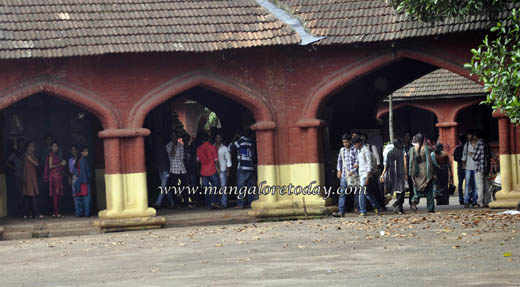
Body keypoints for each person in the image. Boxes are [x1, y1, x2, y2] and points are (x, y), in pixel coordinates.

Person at [352, 136, 381, 216]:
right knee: (367, 193)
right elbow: (363, 163)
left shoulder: (366, 151)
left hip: (365, 175)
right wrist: (357, 165)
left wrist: (368, 177)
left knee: (362, 193)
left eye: (355, 144)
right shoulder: (359, 151)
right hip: (361, 174)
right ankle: (377, 206)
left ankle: (363, 210)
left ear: (359, 143)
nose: (354, 146)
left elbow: (369, 165)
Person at [333, 134, 359, 217]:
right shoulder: (342, 150)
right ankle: (341, 211)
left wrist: (353, 170)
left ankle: (357, 208)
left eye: (346, 142)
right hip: (344, 174)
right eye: (343, 142)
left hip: (354, 175)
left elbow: (358, 162)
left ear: (350, 141)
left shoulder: (355, 149)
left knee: (356, 192)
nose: (345, 144)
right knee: (342, 193)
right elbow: (339, 161)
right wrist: (339, 170)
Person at [230, 129, 257, 209]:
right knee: (251, 187)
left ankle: (240, 204)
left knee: (240, 186)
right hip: (250, 167)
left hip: (242, 167)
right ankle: (252, 203)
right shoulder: (251, 142)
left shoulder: (240, 141)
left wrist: (234, 139)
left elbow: (231, 147)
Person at [408, 133, 435, 213]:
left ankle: (414, 200)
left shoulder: (412, 149)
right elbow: (429, 162)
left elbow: (411, 162)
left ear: (415, 139)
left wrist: (411, 174)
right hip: (424, 171)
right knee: (429, 191)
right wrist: (430, 174)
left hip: (416, 172)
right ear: (424, 140)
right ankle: (430, 208)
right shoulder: (426, 148)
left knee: (417, 188)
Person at [380, 138, 407, 214]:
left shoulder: (390, 153)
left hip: (392, 174)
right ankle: (397, 203)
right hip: (400, 174)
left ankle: (400, 209)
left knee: (398, 191)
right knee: (402, 191)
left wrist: (383, 175)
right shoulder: (401, 152)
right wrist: (405, 174)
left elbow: (387, 166)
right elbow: (404, 164)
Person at [196, 133, 222, 209]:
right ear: (209, 139)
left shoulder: (199, 149)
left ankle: (208, 204)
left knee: (206, 189)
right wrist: (218, 169)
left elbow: (197, 161)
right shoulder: (213, 147)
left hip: (203, 172)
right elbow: (216, 160)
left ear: (201, 140)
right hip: (212, 170)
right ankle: (214, 201)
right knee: (216, 186)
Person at [165, 131, 190, 207]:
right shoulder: (168, 145)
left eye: (175, 136)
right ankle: (176, 203)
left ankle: (186, 202)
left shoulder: (180, 145)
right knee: (174, 187)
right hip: (173, 169)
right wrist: (173, 145)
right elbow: (172, 155)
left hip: (182, 168)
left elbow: (182, 157)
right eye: (173, 136)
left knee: (185, 185)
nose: (174, 138)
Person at [43, 142, 66, 218]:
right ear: (51, 147)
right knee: (55, 194)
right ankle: (56, 213)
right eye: (54, 146)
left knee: (58, 195)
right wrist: (60, 164)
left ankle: (55, 212)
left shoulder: (56, 155)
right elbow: (50, 166)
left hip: (58, 176)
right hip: (54, 176)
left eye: (56, 146)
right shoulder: (51, 155)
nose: (55, 148)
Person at [152, 134, 175, 210]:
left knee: (163, 187)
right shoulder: (157, 149)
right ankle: (172, 203)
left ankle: (157, 203)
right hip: (162, 170)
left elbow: (170, 158)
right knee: (165, 187)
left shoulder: (165, 148)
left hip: (165, 170)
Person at [22, 142, 43, 219]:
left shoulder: (31, 154)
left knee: (28, 196)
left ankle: (26, 213)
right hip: (29, 177)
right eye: (31, 146)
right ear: (27, 147)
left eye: (33, 145)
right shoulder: (28, 154)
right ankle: (36, 213)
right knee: (32, 195)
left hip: (31, 177)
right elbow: (36, 164)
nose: (33, 147)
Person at [472, 130, 492, 208]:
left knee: (480, 185)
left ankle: (480, 202)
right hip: (486, 167)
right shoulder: (486, 144)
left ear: (476, 136)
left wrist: (472, 153)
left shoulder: (478, 145)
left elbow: (475, 157)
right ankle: (488, 201)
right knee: (487, 185)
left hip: (479, 167)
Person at [7, 138, 25, 216]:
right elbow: (7, 162)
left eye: (23, 144)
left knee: (26, 194)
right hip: (18, 175)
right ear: (17, 145)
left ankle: (24, 210)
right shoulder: (14, 154)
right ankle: (19, 211)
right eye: (20, 144)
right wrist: (14, 168)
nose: (21, 146)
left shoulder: (25, 153)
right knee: (19, 194)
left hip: (25, 174)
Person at [73, 147, 92, 217]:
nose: (87, 153)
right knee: (86, 198)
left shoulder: (78, 160)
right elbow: (84, 172)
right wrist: (85, 180)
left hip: (77, 181)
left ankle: (79, 213)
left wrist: (78, 181)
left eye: (87, 151)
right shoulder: (83, 160)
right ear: (81, 153)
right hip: (84, 181)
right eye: (85, 151)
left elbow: (74, 171)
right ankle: (87, 213)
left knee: (78, 198)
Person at [462, 129, 478, 208]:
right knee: (467, 184)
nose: (468, 136)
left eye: (470, 135)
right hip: (468, 167)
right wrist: (463, 165)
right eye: (467, 135)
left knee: (475, 185)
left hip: (476, 167)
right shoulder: (467, 145)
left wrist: (472, 154)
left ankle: (475, 201)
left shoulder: (477, 144)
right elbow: (464, 156)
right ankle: (466, 201)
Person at [215, 133, 232, 208]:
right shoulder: (212, 147)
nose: (218, 139)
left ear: (221, 139)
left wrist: (228, 171)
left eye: (219, 138)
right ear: (215, 139)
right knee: (216, 187)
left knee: (223, 187)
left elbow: (228, 160)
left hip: (223, 170)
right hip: (214, 171)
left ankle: (224, 204)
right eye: (217, 138)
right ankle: (218, 202)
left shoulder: (225, 148)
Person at [453, 134, 467, 205]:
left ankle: (461, 199)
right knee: (468, 184)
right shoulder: (467, 147)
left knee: (460, 183)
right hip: (467, 167)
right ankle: (468, 198)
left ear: (459, 140)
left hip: (460, 167)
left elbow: (454, 158)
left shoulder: (457, 148)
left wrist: (460, 160)